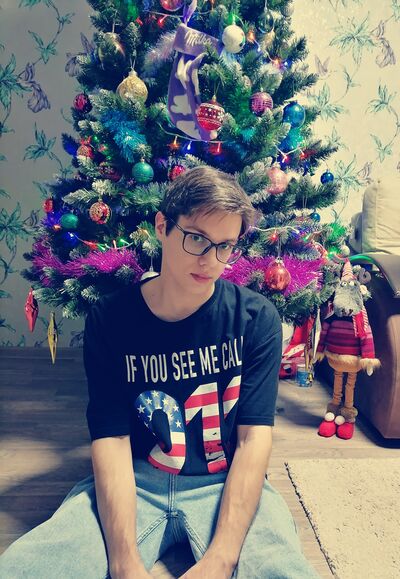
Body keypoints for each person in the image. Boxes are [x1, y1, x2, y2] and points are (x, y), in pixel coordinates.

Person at [0, 166, 319, 578]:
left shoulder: (256, 319)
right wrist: (124, 562)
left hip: (224, 482)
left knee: (281, 568)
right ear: (162, 226)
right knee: (27, 569)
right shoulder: (110, 319)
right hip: (133, 480)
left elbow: (253, 438)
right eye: (196, 238)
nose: (210, 261)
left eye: (225, 246)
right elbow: (111, 438)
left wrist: (222, 558)